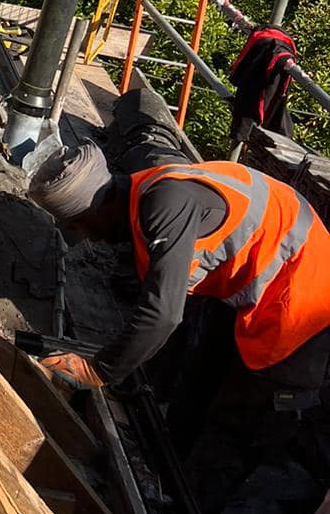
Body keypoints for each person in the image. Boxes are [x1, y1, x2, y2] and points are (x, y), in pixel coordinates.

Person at [28, 141, 330, 394]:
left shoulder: (165, 205)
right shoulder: (143, 191)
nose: (88, 237)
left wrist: (98, 370)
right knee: (199, 378)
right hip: (260, 277)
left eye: (81, 226)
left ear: (102, 207)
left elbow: (163, 313)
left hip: (304, 291)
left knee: (246, 414)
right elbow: (172, 294)